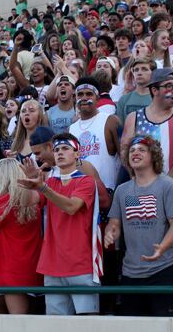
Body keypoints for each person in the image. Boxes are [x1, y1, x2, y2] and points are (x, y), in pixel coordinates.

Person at [18, 133, 103, 315]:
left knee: (86, 325)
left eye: (66, 148)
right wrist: (30, 183)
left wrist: (42, 187)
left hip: (81, 263)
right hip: (52, 263)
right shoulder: (48, 182)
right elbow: (28, 203)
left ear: (77, 154)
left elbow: (71, 207)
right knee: (56, 325)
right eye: (56, 150)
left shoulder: (86, 181)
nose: (60, 153)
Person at [105, 136, 173, 316]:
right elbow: (115, 222)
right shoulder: (122, 190)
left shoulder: (168, 186)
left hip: (165, 268)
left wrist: (162, 247)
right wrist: (111, 232)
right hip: (131, 272)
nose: (135, 153)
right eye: (132, 150)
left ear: (154, 155)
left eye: (142, 149)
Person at [0, 158, 42, 314]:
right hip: (31, 262)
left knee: (18, 320)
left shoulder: (6, 200)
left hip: (10, 265)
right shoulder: (36, 196)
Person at [69, 79, 120, 192]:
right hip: (81, 194)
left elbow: (124, 157)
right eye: (80, 94)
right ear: (75, 99)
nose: (84, 98)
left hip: (108, 191)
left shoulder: (110, 121)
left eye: (89, 94)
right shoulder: (71, 129)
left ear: (97, 98)